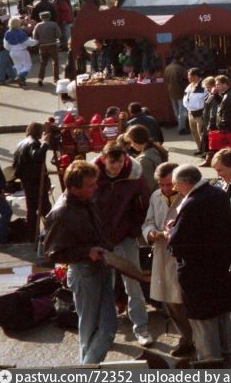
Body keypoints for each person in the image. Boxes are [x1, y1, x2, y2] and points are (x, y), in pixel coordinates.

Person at [42, 161, 115, 364]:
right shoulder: (62, 212)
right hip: (84, 273)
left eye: (94, 183)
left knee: (106, 328)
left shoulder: (85, 200)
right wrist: (86, 252)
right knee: (93, 330)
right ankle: (86, 372)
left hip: (101, 267)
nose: (95, 188)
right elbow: (52, 253)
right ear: (74, 188)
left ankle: (86, 369)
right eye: (90, 185)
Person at [168, 164, 231, 367]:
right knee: (222, 320)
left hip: (199, 277)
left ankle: (211, 366)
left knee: (204, 325)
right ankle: (228, 362)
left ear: (184, 182)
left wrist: (171, 232)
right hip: (221, 272)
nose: (174, 188)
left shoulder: (192, 203)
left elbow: (178, 243)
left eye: (175, 184)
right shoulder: (217, 194)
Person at [94, 144, 153, 346]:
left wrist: (135, 229)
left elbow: (144, 203)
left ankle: (141, 328)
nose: (117, 166)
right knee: (105, 286)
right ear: (103, 159)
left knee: (133, 283)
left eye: (121, 161)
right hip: (101, 238)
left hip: (126, 236)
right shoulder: (92, 173)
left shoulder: (135, 174)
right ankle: (107, 331)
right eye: (113, 162)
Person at [141, 162, 193, 358]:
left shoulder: (187, 196)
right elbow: (147, 222)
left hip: (182, 256)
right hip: (162, 254)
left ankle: (197, 338)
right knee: (170, 301)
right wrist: (151, 232)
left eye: (169, 184)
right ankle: (186, 337)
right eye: (162, 185)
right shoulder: (156, 196)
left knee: (186, 299)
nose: (166, 188)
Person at [12, 122, 51, 241]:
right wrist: (45, 144)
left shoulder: (21, 143)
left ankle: (32, 236)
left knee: (32, 210)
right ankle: (54, 232)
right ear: (37, 131)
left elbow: (15, 165)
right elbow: (36, 156)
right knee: (46, 209)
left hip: (27, 181)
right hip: (35, 182)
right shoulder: (33, 143)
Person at [182, 68, 207, 149]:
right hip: (190, 113)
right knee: (194, 133)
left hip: (200, 114)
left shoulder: (204, 86)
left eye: (189, 75)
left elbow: (207, 101)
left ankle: (204, 150)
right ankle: (199, 148)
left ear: (195, 76)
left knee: (201, 133)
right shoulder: (189, 86)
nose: (188, 77)